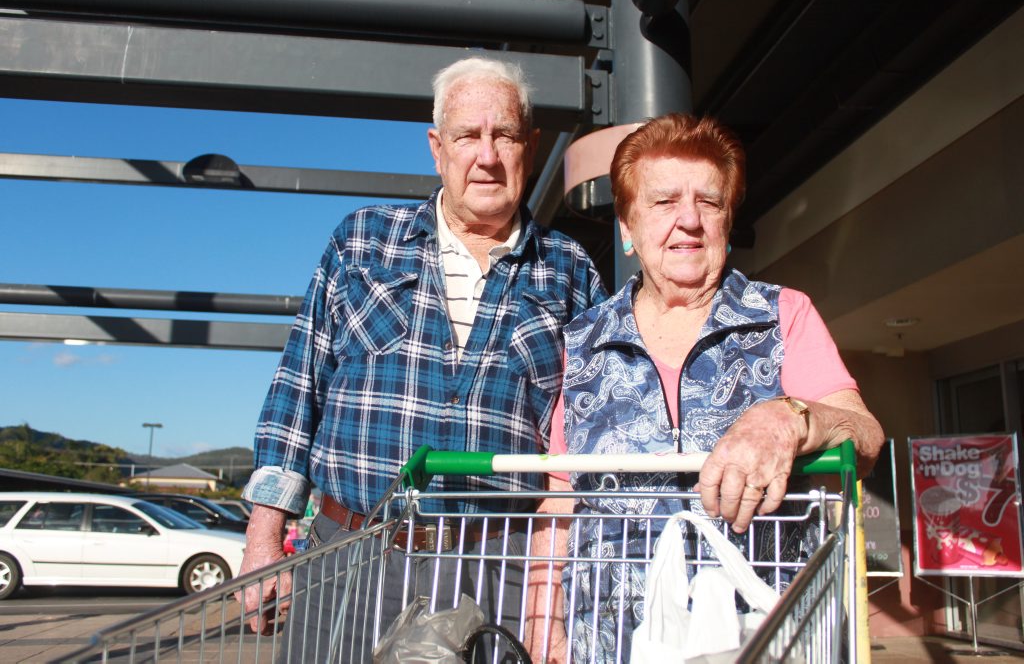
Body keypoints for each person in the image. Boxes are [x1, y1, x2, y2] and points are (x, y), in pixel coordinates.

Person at [237, 56, 607, 660]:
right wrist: (263, 538)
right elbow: (295, 389)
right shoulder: (360, 242)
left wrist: (557, 587)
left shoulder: (570, 271)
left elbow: (587, 435)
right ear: (438, 148)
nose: (486, 156)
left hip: (499, 567)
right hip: (353, 557)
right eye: (467, 135)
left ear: (531, 148)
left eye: (505, 135)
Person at [527, 112, 885, 663]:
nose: (688, 221)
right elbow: (560, 500)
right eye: (664, 202)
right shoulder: (581, 344)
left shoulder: (782, 315)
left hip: (759, 636)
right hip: (608, 643)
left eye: (709, 203)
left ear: (727, 219)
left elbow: (864, 436)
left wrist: (788, 418)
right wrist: (545, 623)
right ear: (627, 227)